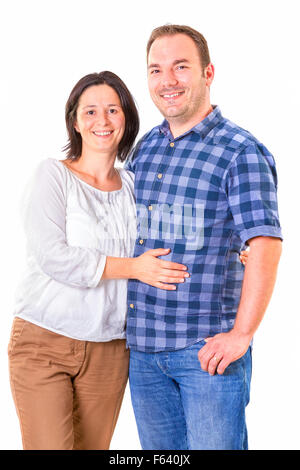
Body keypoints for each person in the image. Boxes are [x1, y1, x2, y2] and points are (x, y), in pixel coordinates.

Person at [7, 71, 192, 450]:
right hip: (44, 341)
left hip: (110, 350)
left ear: (126, 118)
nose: (102, 121)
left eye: (112, 110)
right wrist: (134, 267)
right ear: (75, 121)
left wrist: (237, 245)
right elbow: (54, 257)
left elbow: (176, 231)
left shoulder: (133, 187)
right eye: (90, 111)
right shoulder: (53, 176)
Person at [125, 25, 283, 450]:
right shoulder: (145, 149)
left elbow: (265, 245)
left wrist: (242, 335)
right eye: (156, 70)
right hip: (142, 353)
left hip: (206, 352)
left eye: (181, 66)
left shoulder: (240, 151)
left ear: (208, 73)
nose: (167, 80)